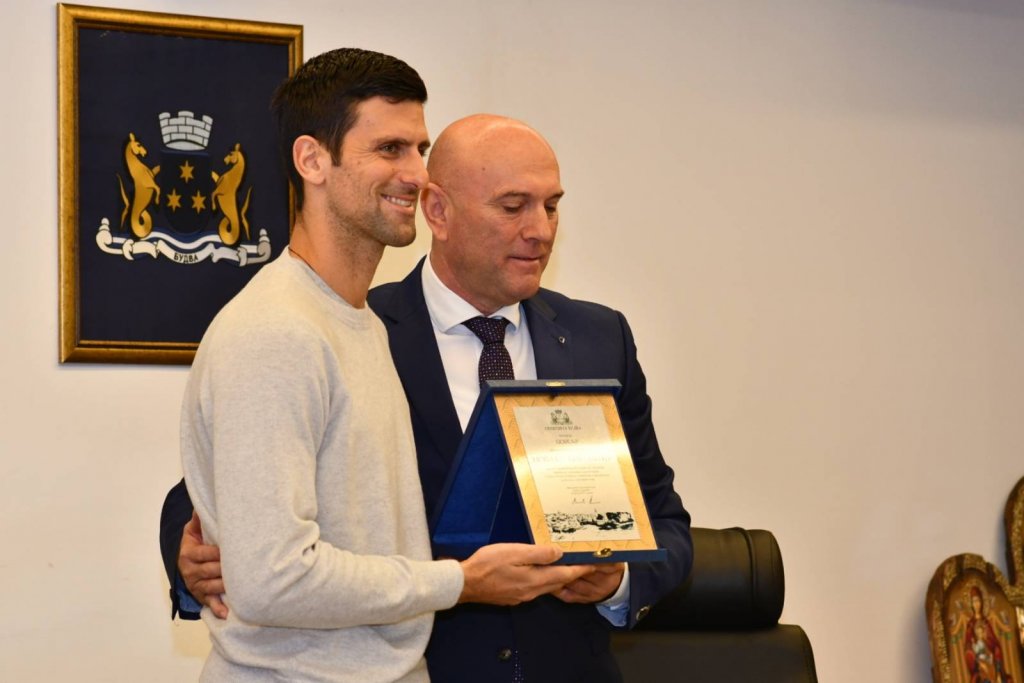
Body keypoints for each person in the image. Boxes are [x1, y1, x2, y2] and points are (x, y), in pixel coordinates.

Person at [162, 112, 693, 682]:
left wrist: (620, 583)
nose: (540, 230)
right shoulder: (358, 332)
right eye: (513, 207)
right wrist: (186, 556)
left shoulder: (600, 339)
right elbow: (215, 488)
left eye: (552, 206)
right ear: (438, 211)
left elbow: (664, 518)